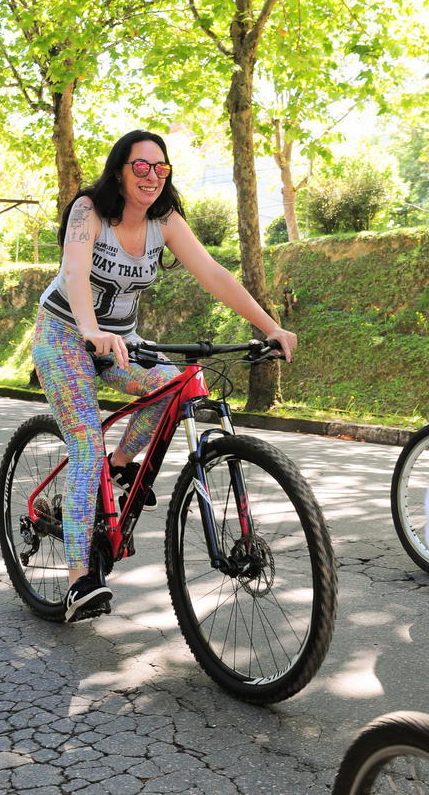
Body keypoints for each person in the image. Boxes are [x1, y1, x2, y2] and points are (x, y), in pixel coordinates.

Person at [32, 130, 296, 623]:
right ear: (119, 170)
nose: (152, 176)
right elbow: (74, 270)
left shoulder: (164, 220)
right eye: (141, 166)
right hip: (65, 336)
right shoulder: (89, 210)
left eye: (161, 168)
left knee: (173, 384)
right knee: (84, 446)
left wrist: (270, 326)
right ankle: (77, 580)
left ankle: (122, 462)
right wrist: (89, 328)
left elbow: (214, 273)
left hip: (121, 343)